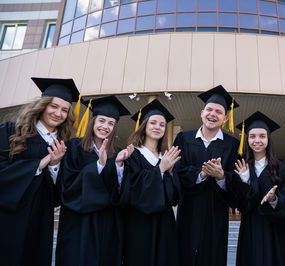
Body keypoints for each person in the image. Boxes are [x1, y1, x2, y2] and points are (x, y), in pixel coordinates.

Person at [0, 77, 80, 266]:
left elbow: (60, 191)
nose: (58, 113)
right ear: (42, 105)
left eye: (64, 110)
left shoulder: (62, 146)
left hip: (41, 218)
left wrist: (54, 166)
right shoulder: (12, 132)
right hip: (10, 216)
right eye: (53, 106)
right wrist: (41, 163)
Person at [56, 95, 133, 266]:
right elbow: (68, 186)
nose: (105, 126)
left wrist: (119, 166)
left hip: (108, 224)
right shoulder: (73, 148)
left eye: (111, 123)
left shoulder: (119, 153)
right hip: (79, 223)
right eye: (102, 121)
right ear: (93, 121)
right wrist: (98, 166)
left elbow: (121, 194)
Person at [173, 85, 241, 266]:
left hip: (216, 212)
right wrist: (202, 174)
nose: (213, 114)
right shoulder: (183, 138)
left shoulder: (233, 145)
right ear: (201, 113)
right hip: (188, 209)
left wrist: (221, 177)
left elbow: (237, 179)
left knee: (212, 256)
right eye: (209, 110)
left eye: (219, 112)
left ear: (225, 118)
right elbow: (177, 171)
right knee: (184, 254)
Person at [114, 99, 181, 266]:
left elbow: (173, 198)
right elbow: (132, 189)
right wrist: (160, 170)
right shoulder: (133, 155)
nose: (157, 127)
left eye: (162, 124)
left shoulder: (165, 157)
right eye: (153, 123)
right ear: (144, 126)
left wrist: (171, 174)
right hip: (139, 223)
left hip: (165, 224)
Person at [234, 111, 285, 266]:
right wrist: (245, 182)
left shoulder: (282, 168)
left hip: (276, 231)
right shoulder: (242, 168)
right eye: (252, 136)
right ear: (247, 139)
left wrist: (275, 200)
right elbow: (240, 205)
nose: (257, 140)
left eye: (262, 136)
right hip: (250, 229)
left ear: (268, 139)